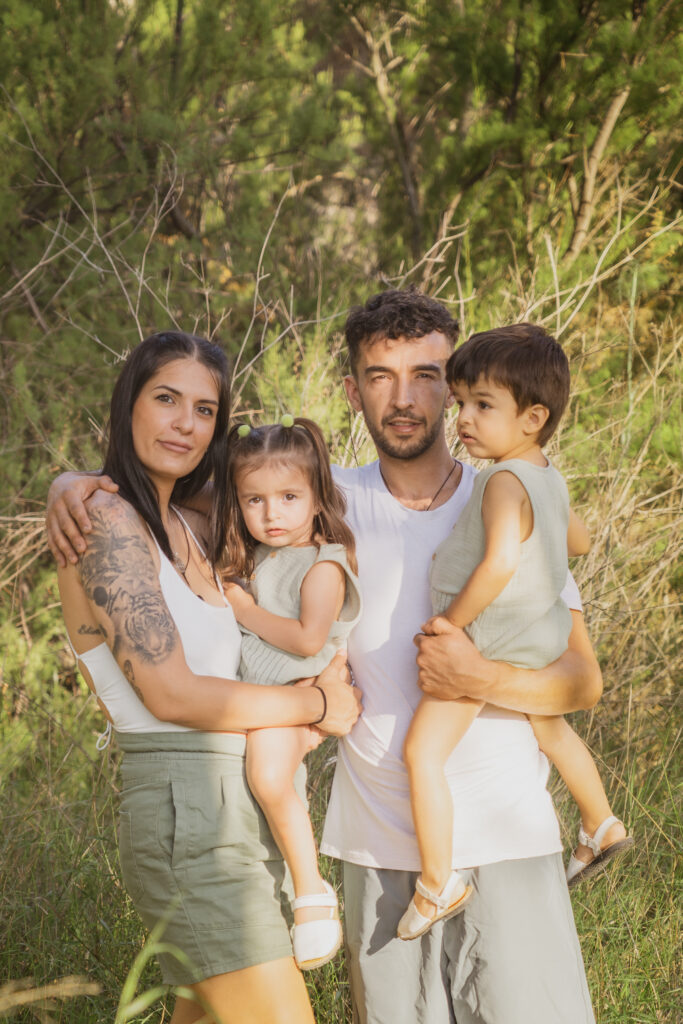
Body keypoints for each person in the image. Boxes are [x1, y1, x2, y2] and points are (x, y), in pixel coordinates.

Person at [48, 291, 605, 1024]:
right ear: (352, 390)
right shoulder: (316, 502)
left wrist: (484, 678)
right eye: (379, 376)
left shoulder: (508, 499)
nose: (403, 398)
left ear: (455, 384)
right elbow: (169, 497)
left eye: (427, 375)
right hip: (375, 849)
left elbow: (581, 681)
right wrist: (70, 484)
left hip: (507, 835)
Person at [53, 330, 361, 1024]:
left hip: (239, 802)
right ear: (129, 402)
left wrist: (63, 482)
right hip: (189, 811)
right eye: (166, 399)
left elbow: (285, 486)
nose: (184, 423)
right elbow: (171, 693)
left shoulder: (189, 525)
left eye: (204, 410)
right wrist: (314, 701)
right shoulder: (106, 522)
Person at [397, 324, 633, 941]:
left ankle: (437, 882)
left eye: (482, 405)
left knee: (422, 754)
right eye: (461, 403)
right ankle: (601, 822)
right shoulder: (544, 476)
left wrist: (451, 624)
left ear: (533, 416)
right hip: (539, 640)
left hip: (491, 643)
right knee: (548, 725)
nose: (464, 419)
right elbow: (578, 541)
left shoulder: (501, 480)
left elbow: (500, 562)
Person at [221, 417, 362, 970]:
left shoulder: (323, 563)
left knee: (271, 779)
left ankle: (312, 893)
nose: (271, 513)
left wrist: (247, 610)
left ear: (317, 497)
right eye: (254, 499)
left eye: (287, 497)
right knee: (266, 792)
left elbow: (307, 639)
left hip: (292, 685)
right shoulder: (258, 556)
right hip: (262, 695)